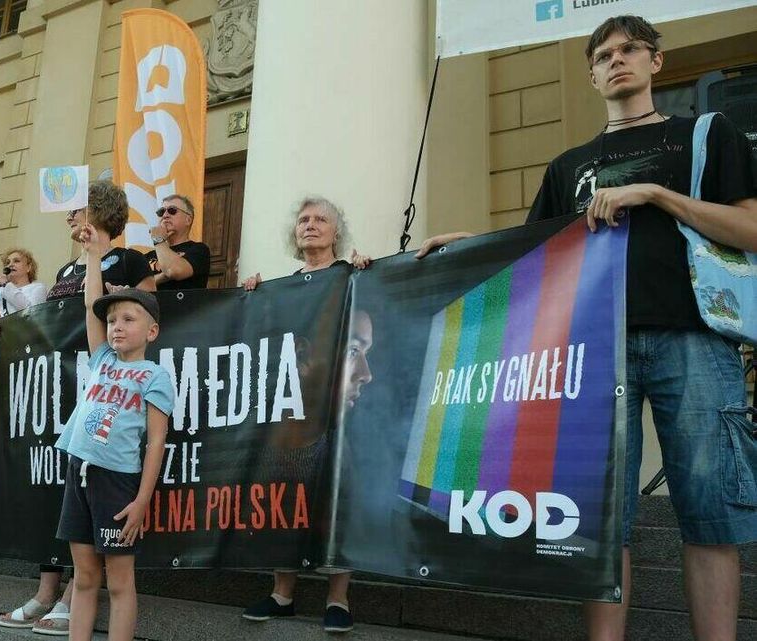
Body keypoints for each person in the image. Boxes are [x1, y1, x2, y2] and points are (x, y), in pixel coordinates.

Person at [416, 16, 757, 641]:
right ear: (592, 74)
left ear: (656, 62)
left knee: (713, 517)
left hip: (699, 339)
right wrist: (469, 245)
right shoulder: (569, 164)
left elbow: (750, 230)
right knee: (601, 523)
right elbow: (534, 252)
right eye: (603, 55)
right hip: (594, 351)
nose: (617, 61)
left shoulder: (708, 134)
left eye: (630, 50)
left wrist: (655, 194)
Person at [0, 179, 155, 634]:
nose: (70, 218)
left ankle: (69, 598)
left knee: (108, 566)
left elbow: (116, 308)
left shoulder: (128, 260)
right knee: (58, 499)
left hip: (112, 437)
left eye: (78, 210)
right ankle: (49, 590)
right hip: (64, 390)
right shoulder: (72, 265)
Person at [241, 197, 371, 634]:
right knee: (283, 501)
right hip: (290, 417)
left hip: (339, 416)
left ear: (337, 232)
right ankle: (282, 594)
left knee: (338, 501)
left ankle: (338, 599)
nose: (310, 226)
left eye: (321, 220)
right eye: (303, 220)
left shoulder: (352, 277)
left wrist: (369, 274)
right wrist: (252, 297)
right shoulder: (283, 287)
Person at [56, 221, 174, 641]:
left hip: (117, 482)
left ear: (152, 331)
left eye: (129, 318)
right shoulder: (102, 357)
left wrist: (142, 500)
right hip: (79, 472)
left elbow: (157, 442)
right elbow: (93, 302)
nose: (117, 325)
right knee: (85, 577)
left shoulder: (154, 376)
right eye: (113, 320)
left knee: (120, 582)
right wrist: (91, 255)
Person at [47, 180, 156, 300]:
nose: (68, 218)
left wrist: (123, 300)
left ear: (99, 209)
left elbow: (151, 310)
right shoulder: (64, 271)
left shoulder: (131, 260)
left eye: (75, 210)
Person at [144, 194, 212, 290]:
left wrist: (158, 240)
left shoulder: (199, 250)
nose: (165, 215)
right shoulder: (146, 257)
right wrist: (164, 276)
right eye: (161, 212)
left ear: (188, 220)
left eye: (172, 210)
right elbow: (136, 288)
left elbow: (174, 271)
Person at [0, 248, 47, 316]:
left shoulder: (38, 288)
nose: (10, 265)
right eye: (8, 263)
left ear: (28, 267)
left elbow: (31, 313)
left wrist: (6, 284)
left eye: (16, 261)